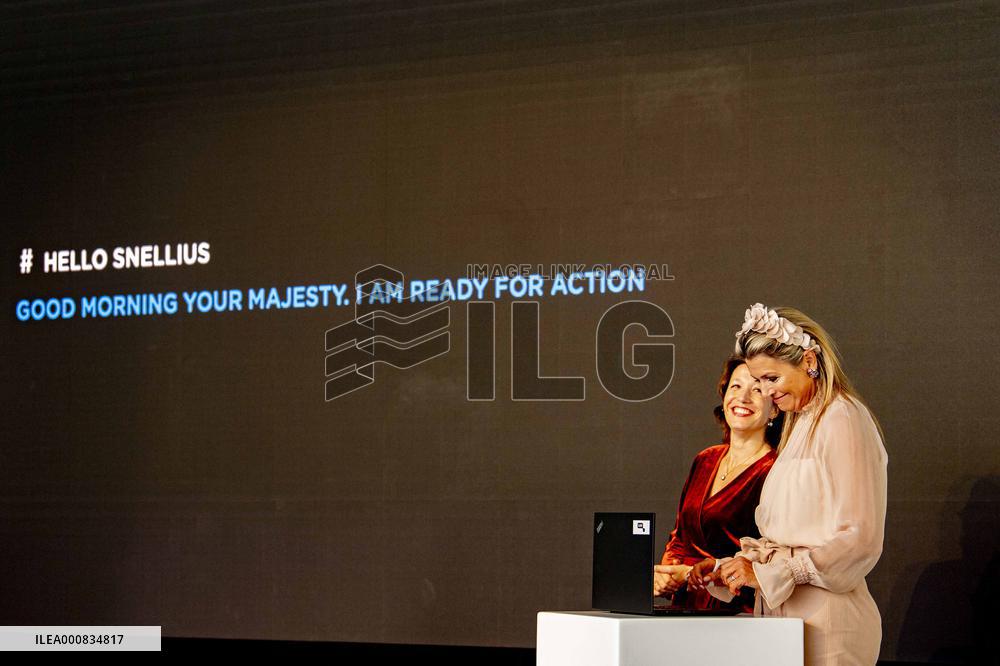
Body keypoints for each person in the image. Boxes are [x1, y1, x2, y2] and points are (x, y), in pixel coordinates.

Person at [689, 303, 888, 666]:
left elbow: (859, 538)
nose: (766, 392)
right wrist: (732, 567)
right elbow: (790, 534)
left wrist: (771, 571)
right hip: (785, 622)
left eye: (772, 379)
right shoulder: (799, 426)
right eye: (759, 380)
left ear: (809, 360)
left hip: (828, 625)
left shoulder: (842, 417)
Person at [652, 356, 781, 612]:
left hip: (737, 613)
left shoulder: (776, 470)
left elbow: (771, 557)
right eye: (736, 387)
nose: (743, 398)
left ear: (775, 409)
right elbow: (680, 536)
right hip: (686, 607)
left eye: (757, 390)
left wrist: (689, 573)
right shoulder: (705, 459)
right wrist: (667, 574)